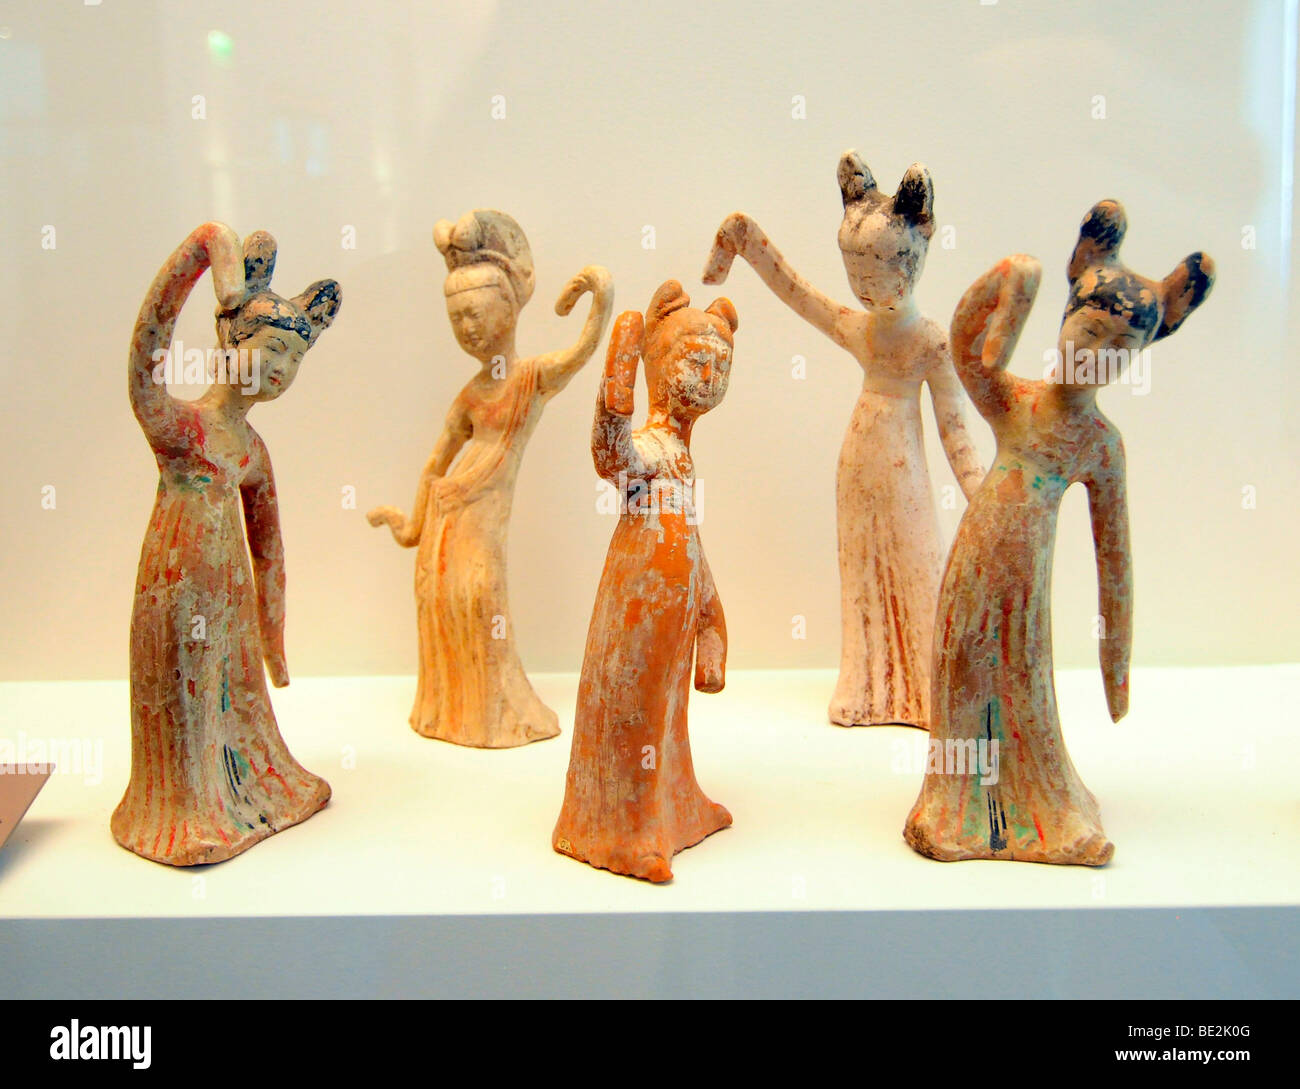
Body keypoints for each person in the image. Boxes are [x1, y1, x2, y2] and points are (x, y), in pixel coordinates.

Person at [114, 222, 340, 865]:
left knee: (232, 695)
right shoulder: (180, 428)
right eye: (268, 351)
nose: (277, 371)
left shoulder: (252, 449)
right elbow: (144, 360)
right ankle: (183, 810)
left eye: (291, 361)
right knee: (184, 690)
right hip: (179, 590)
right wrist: (196, 253)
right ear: (227, 340)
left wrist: (273, 641)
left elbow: (270, 550)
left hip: (232, 603)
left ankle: (248, 793)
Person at [368, 210, 612, 747]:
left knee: (482, 597)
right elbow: (435, 464)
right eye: (458, 320)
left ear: (509, 307)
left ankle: (496, 710)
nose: (469, 328)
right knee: (445, 603)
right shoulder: (471, 394)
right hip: (447, 517)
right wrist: (411, 527)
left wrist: (599, 291)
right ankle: (447, 710)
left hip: (479, 517)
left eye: (476, 313)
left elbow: (583, 351)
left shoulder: (531, 378)